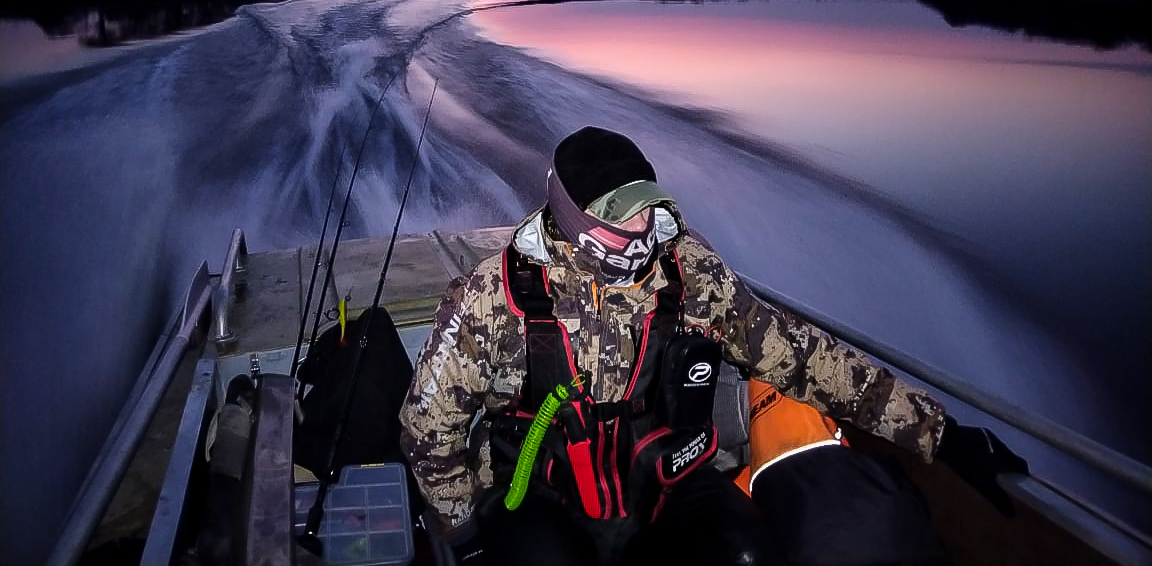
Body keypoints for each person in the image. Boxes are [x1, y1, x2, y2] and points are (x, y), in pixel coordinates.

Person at [399, 127, 1025, 565]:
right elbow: (429, 424)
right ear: (573, 219)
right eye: (621, 219)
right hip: (540, 496)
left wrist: (941, 433)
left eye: (649, 211)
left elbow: (803, 357)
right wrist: (462, 530)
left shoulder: (691, 274)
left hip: (664, 488)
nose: (643, 234)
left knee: (747, 554)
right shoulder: (492, 296)